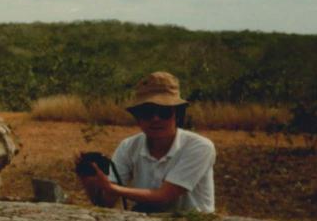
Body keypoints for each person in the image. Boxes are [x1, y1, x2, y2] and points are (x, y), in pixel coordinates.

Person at [77, 71, 216, 213]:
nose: (156, 119)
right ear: (138, 117)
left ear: (177, 115)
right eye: (147, 112)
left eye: (164, 112)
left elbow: (165, 196)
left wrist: (112, 188)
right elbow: (105, 203)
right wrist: (90, 179)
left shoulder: (199, 147)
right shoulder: (128, 146)